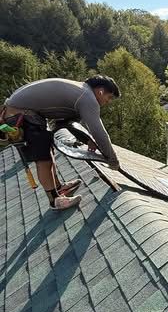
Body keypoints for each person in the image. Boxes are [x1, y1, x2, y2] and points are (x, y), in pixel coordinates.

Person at [2, 75, 121, 211]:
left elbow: (66, 123)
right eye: (109, 97)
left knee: (48, 150)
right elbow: (99, 131)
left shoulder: (80, 91)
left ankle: (58, 187)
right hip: (20, 115)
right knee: (43, 158)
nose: (107, 102)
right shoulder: (87, 97)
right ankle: (55, 201)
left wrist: (88, 140)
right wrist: (113, 159)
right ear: (100, 91)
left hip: (23, 113)